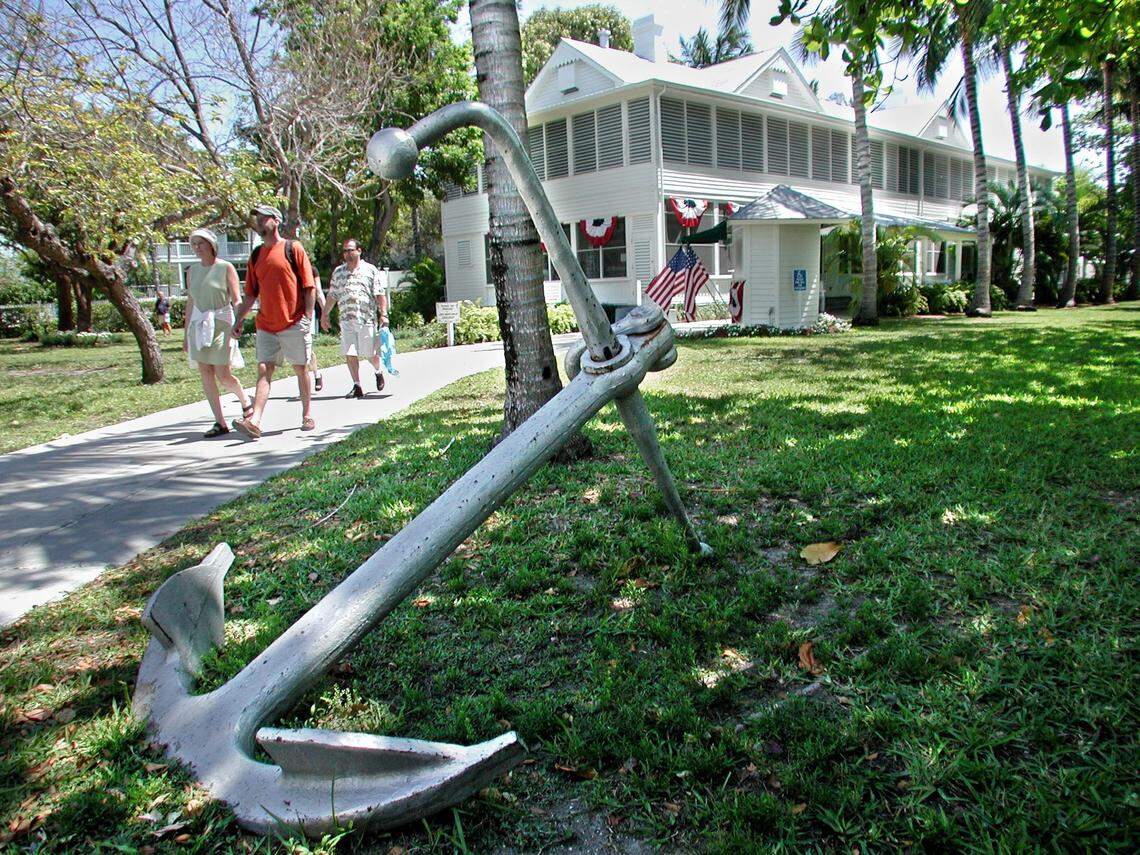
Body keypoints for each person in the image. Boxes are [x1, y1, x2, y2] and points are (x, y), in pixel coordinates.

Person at [230, 204, 317, 438]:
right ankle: (255, 420)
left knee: (301, 368)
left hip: (294, 321)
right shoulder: (256, 255)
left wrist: (308, 317)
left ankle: (307, 413)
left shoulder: (292, 248)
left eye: (263, 218)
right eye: (257, 218)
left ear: (276, 221)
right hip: (266, 324)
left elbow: (309, 287)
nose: (258, 222)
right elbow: (250, 294)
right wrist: (239, 320)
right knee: (263, 370)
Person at [183, 228, 253, 437]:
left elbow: (236, 298)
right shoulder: (192, 271)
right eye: (194, 244)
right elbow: (191, 302)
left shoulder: (225, 267)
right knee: (205, 371)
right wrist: (186, 334)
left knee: (223, 374)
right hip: (199, 325)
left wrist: (239, 320)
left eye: (201, 243)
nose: (197, 247)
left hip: (221, 323)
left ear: (211, 245)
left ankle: (245, 401)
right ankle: (219, 422)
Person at [321, 238, 388, 398]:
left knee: (369, 353)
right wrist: (325, 314)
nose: (348, 254)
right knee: (350, 352)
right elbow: (332, 295)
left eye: (350, 250)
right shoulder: (339, 272)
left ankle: (378, 372)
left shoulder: (370, 270)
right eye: (345, 251)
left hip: (366, 318)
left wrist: (383, 314)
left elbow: (380, 294)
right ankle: (357, 385)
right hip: (346, 319)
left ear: (359, 250)